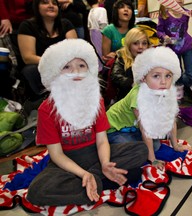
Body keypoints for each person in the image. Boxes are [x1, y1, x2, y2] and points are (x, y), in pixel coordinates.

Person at [26, 39, 148, 206]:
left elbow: (102, 140)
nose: (75, 71)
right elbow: (56, 154)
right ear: (55, 73)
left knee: (140, 149)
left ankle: (94, 179)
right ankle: (95, 181)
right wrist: (83, 173)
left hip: (96, 155)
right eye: (67, 66)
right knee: (37, 191)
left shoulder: (96, 100)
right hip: (66, 162)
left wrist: (105, 163)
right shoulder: (46, 109)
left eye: (81, 66)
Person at [106, 46, 192, 170]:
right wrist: (152, 159)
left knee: (155, 145)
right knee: (141, 149)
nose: (163, 82)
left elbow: (170, 119)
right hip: (114, 129)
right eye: (156, 76)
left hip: (132, 127)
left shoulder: (166, 91)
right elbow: (145, 129)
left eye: (168, 76)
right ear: (143, 78)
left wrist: (176, 145)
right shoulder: (138, 96)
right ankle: (110, 148)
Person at [17, 0, 77, 99]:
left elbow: (75, 50)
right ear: (37, 7)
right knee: (30, 70)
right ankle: (44, 101)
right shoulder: (27, 26)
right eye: (45, 2)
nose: (51, 6)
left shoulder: (66, 24)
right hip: (40, 67)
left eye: (54, 3)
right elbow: (28, 57)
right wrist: (55, 63)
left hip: (66, 66)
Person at [156, 0, 192, 101]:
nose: (180, 0)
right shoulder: (164, 15)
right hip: (172, 48)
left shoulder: (186, 13)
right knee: (177, 70)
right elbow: (159, 30)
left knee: (191, 70)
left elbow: (185, 29)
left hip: (186, 45)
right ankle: (179, 90)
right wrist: (164, 36)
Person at [111, 27, 150, 101]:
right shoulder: (122, 57)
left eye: (144, 43)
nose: (140, 47)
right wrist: (132, 83)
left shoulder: (152, 59)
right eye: (136, 43)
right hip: (125, 99)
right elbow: (116, 76)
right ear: (129, 45)